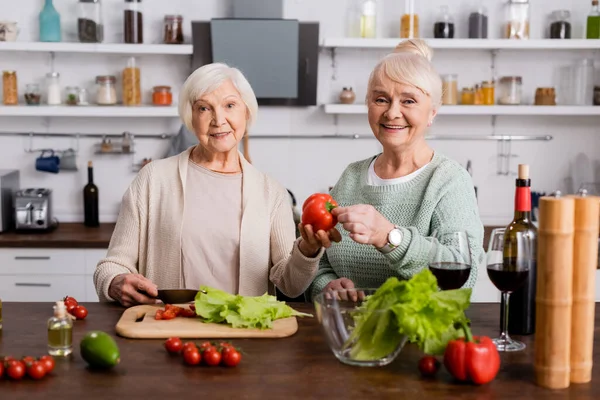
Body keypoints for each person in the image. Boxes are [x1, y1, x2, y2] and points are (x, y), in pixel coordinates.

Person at [94, 62, 339, 307]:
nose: (218, 120)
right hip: (168, 330)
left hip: (244, 336)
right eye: (204, 108)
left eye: (230, 105)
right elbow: (112, 265)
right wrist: (115, 281)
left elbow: (290, 285)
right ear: (191, 117)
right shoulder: (152, 180)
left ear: (246, 112)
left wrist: (307, 250)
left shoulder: (271, 193)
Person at [308, 39, 485, 300]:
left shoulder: (449, 180)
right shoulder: (352, 176)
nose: (392, 113)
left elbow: (463, 275)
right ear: (368, 105)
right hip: (350, 333)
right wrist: (326, 285)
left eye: (409, 101)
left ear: (432, 112)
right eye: (381, 99)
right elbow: (324, 262)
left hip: (417, 334)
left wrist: (390, 237)